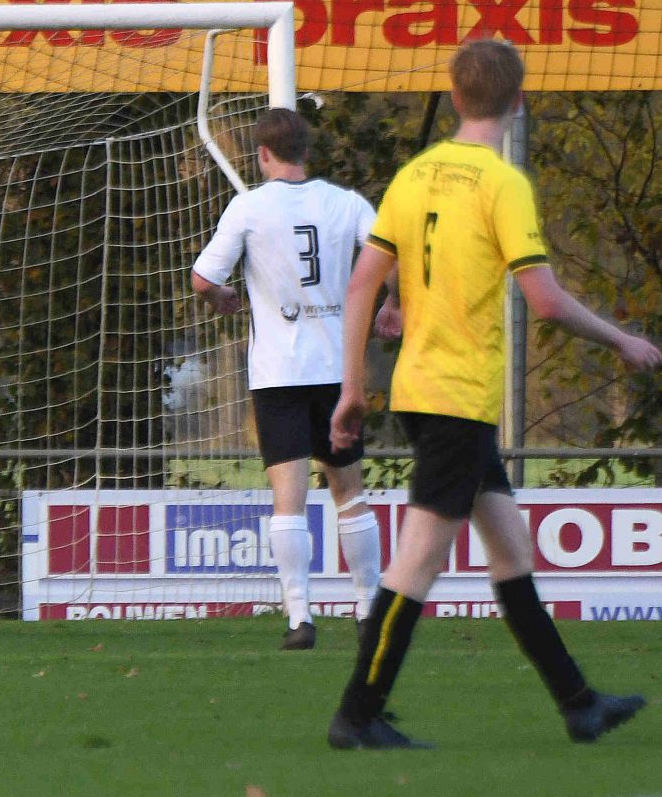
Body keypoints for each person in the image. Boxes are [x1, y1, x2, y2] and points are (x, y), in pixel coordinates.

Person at [326, 40, 659, 750]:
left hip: (421, 391)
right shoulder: (502, 184)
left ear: (454, 98)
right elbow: (545, 300)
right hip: (458, 397)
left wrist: (354, 387)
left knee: (510, 549)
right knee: (419, 560)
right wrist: (622, 340)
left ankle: (579, 704)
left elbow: (362, 286)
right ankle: (357, 714)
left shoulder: (414, 176)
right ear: (519, 101)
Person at [189, 106, 388, 649]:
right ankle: (369, 608)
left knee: (288, 500)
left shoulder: (249, 208)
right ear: (306, 151)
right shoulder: (346, 203)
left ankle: (300, 618)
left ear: (262, 155)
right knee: (349, 491)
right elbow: (389, 256)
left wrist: (222, 295)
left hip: (277, 374)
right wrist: (391, 306)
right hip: (336, 371)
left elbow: (202, 278)